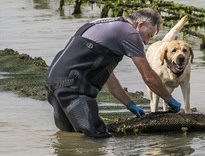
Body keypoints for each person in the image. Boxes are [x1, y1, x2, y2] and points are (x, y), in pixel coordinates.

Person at [45, 8, 181, 138]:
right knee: (97, 136)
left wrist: (129, 103)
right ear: (141, 24)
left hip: (53, 81)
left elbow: (107, 76)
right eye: (148, 36)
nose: (146, 42)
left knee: (70, 134)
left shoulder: (105, 23)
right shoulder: (130, 33)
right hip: (73, 87)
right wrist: (169, 99)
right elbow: (148, 76)